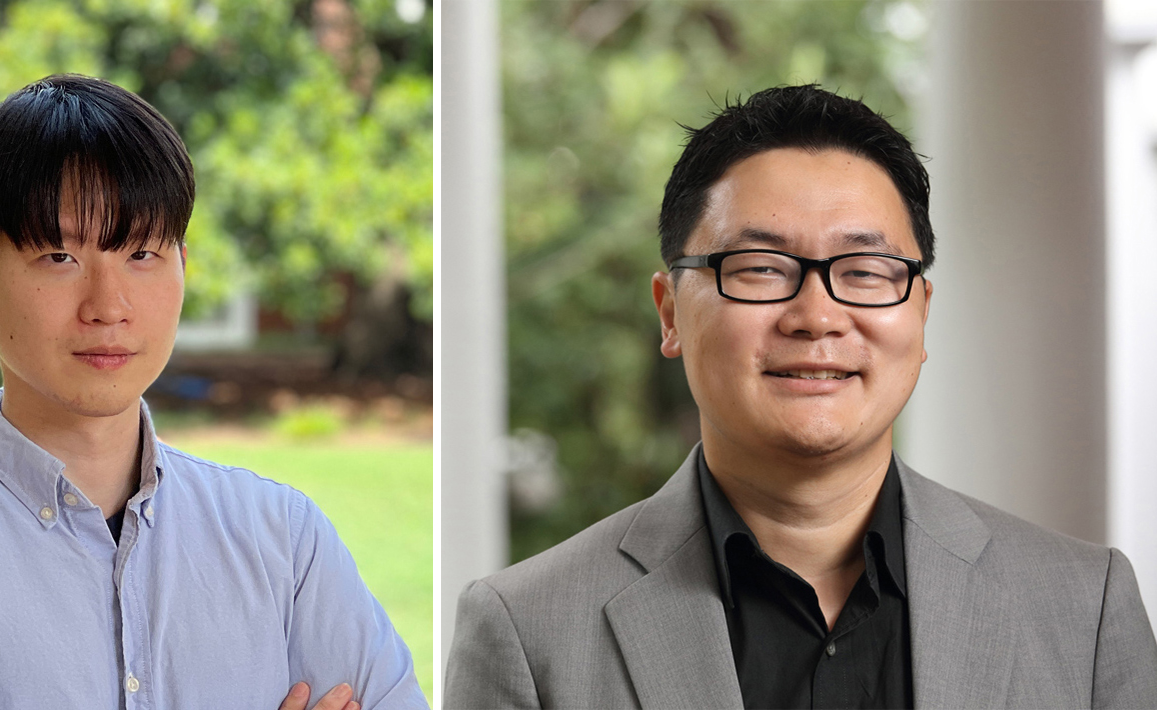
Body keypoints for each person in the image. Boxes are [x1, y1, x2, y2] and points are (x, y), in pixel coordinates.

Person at [444, 85, 1157, 708]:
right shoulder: (527, 631)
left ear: (921, 311)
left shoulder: (1083, 609)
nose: (816, 316)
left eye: (866, 270)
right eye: (758, 268)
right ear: (670, 314)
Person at [0, 74, 426, 710]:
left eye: (141, 253)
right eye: (59, 257)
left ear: (183, 268)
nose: (109, 307)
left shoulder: (284, 540)